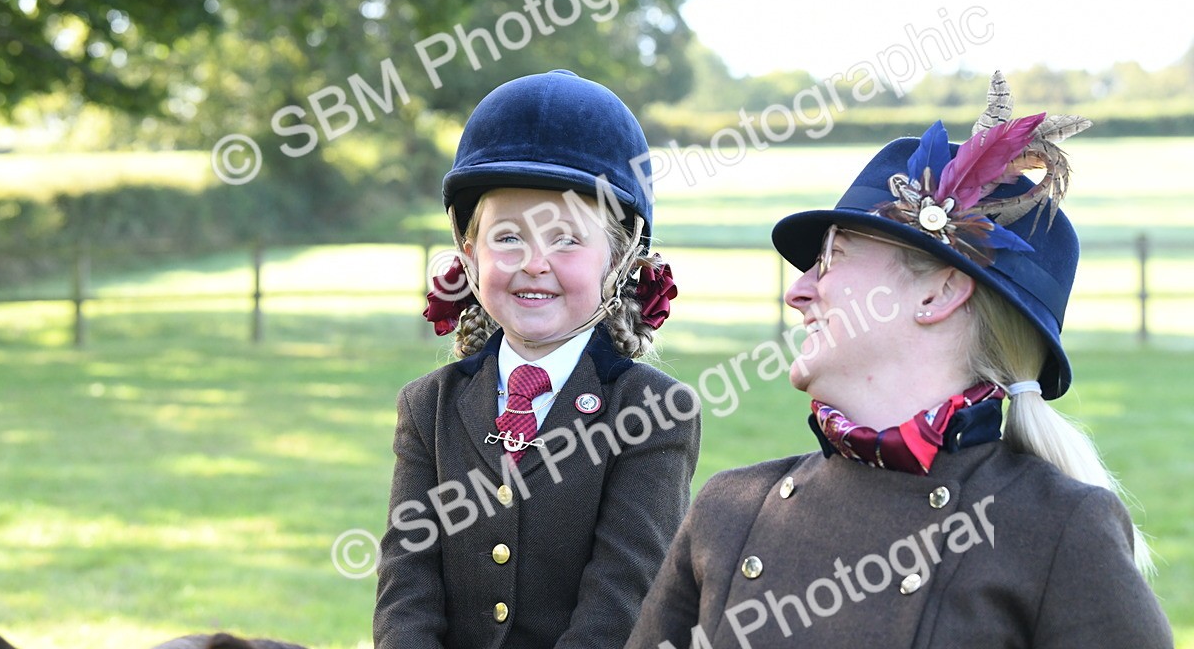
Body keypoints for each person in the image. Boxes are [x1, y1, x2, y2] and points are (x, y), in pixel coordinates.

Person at [626, 72, 1173, 648]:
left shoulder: (1056, 530)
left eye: (832, 256)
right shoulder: (731, 509)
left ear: (937, 293)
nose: (799, 291)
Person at [373, 69, 700, 649]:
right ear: (469, 257)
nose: (533, 262)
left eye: (567, 238)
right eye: (507, 237)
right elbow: (407, 588)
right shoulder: (429, 406)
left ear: (620, 259)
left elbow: (622, 598)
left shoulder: (653, 411)